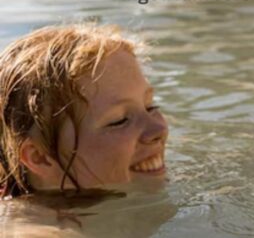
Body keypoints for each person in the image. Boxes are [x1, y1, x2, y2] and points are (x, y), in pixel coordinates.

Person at [0, 23, 168, 198]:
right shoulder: (33, 225)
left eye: (150, 107)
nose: (159, 129)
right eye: (119, 120)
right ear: (39, 157)